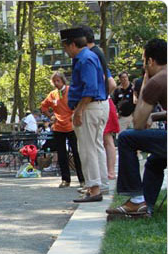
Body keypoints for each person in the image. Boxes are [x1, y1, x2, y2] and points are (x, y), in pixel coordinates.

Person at [107, 38, 166, 217]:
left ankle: (136, 199)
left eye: (144, 61)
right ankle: (144, 206)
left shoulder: (157, 82)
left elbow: (138, 124)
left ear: (150, 61)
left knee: (127, 137)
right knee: (155, 160)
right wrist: (155, 116)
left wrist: (145, 83)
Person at [60, 27, 109, 203]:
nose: (65, 51)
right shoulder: (90, 56)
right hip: (96, 106)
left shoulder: (84, 59)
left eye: (65, 47)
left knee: (87, 149)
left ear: (73, 44)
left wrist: (79, 111)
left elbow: (90, 89)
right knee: (96, 147)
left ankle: (94, 189)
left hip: (89, 107)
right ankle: (101, 184)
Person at [83, 25, 119, 185]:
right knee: (101, 142)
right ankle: (103, 180)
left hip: (97, 103)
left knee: (96, 144)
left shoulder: (90, 55)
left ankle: (98, 182)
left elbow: (111, 83)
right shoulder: (98, 53)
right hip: (103, 102)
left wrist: (101, 97)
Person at [41, 71, 85, 188]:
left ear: (63, 81)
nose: (56, 83)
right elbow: (43, 106)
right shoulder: (52, 94)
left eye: (58, 81)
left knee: (76, 152)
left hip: (71, 126)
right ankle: (65, 179)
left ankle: (82, 179)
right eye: (54, 81)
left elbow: (80, 102)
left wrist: (75, 114)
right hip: (58, 127)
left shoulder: (71, 90)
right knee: (61, 154)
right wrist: (50, 116)